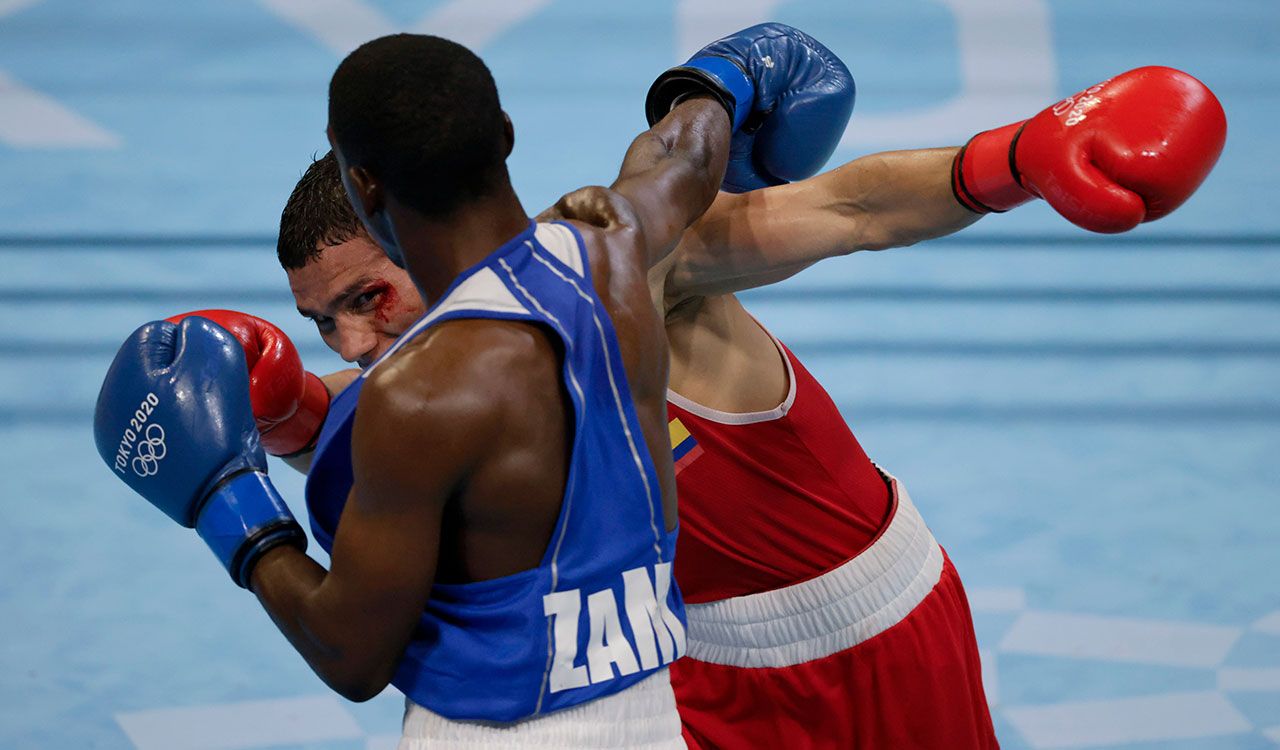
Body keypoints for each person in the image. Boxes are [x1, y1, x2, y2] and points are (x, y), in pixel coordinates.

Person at [184, 68, 1223, 747]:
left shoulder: (620, 266)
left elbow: (845, 209)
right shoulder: (414, 388)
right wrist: (279, 416)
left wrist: (1009, 162)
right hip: (685, 680)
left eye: (367, 300)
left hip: (873, 631)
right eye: (325, 326)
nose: (360, 345)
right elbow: (375, 408)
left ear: (402, 221)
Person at [94, 25, 855, 748]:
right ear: (506, 138)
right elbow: (683, 160)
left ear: (361, 186)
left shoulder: (417, 396)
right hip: (653, 717)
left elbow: (351, 654)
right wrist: (719, 86)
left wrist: (229, 504)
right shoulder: (616, 248)